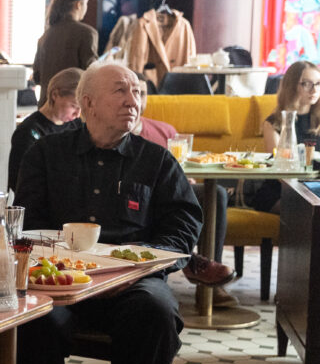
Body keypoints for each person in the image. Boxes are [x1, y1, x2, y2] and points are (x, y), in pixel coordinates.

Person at [13, 63, 203, 364]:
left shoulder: (156, 160)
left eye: (137, 92)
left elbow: (183, 226)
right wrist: (61, 261)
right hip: (61, 280)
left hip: (130, 284)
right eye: (121, 91)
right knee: (30, 314)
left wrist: (137, 264)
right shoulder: (46, 153)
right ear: (87, 103)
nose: (133, 101)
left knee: (157, 313)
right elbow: (26, 223)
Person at [131, 77, 236, 292]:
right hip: (136, 195)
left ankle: (208, 277)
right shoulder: (113, 132)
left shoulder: (166, 132)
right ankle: (188, 259)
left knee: (215, 193)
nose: (136, 100)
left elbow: (182, 168)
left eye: (141, 93)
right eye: (131, 93)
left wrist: (185, 182)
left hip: (170, 191)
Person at [251, 60, 320, 212]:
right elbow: (281, 172)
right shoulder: (274, 123)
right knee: (309, 209)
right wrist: (307, 194)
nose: (314, 90)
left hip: (315, 189)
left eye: (318, 83)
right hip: (281, 191)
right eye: (307, 84)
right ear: (292, 86)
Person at [8, 67, 83, 191]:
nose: (78, 114)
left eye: (81, 108)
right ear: (55, 95)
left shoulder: (77, 126)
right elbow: (17, 181)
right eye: (73, 106)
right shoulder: (28, 132)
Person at [32, 0, 98, 102]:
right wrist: (104, 64)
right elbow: (91, 75)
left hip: (46, 106)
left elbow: (37, 77)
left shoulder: (45, 36)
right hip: (72, 106)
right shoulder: (86, 33)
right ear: (78, 5)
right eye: (86, 3)